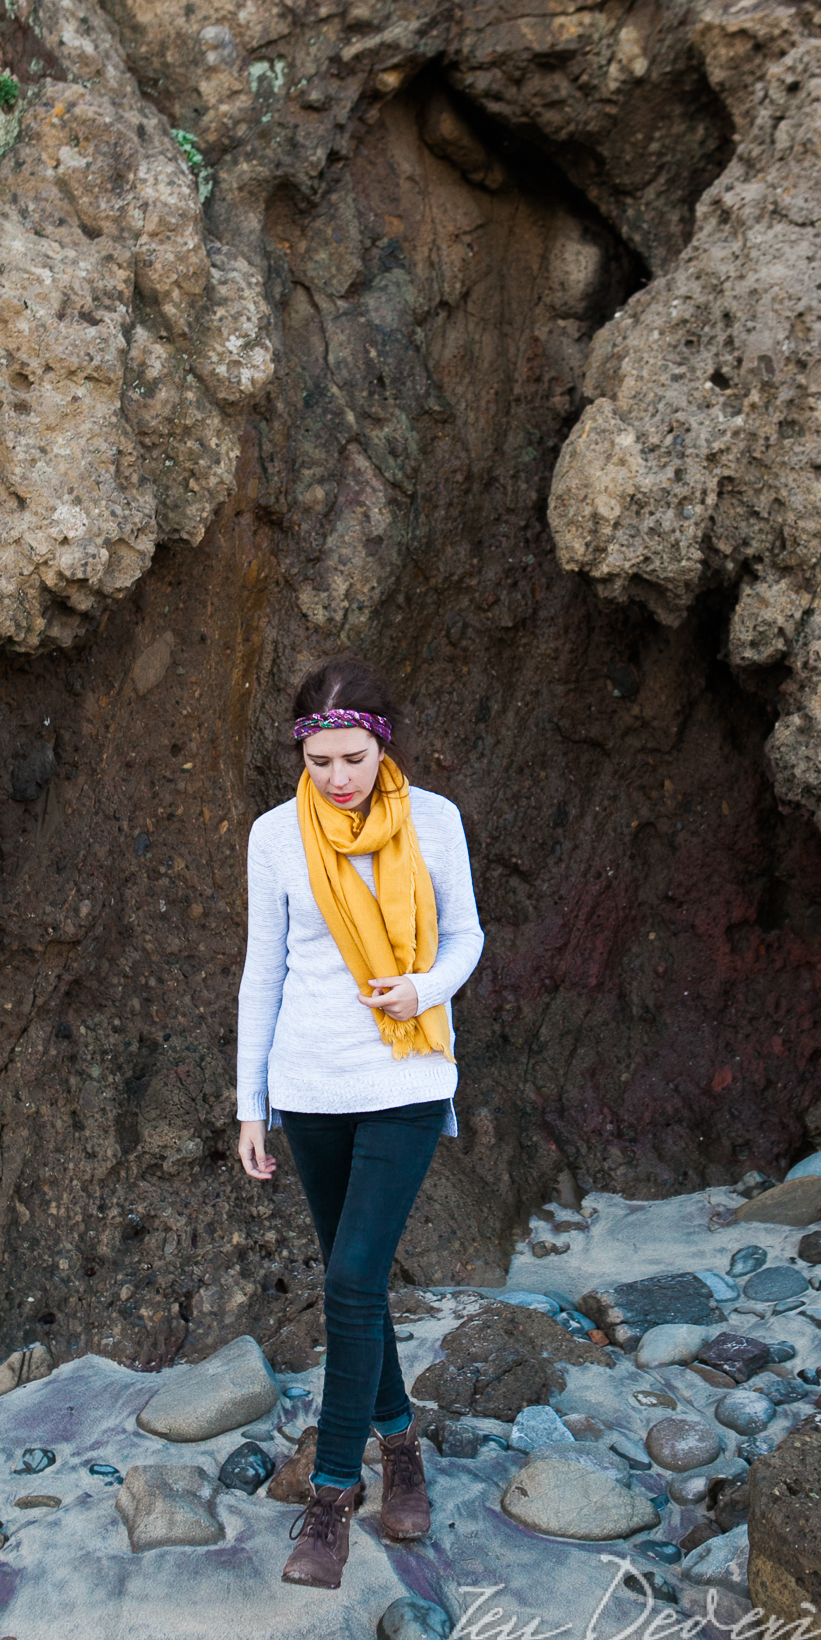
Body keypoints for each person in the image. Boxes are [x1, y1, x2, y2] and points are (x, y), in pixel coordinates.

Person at [235, 655, 484, 1590]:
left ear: (382, 743)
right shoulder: (274, 836)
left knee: (348, 1278)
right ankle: (403, 1446)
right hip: (309, 1088)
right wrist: (249, 1103)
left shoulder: (433, 821)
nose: (338, 780)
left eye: (353, 758)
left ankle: (331, 1498)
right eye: (320, 763)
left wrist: (422, 986)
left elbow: (466, 936)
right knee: (362, 1287)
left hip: (408, 1073)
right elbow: (263, 971)